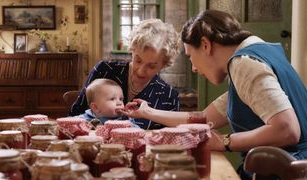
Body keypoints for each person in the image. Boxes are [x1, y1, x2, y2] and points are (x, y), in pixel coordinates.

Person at [120, 9, 307, 179]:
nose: (193, 68)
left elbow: (287, 129)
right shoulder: (254, 56)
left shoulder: (244, 63)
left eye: (190, 56)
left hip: (288, 170)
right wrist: (147, 112)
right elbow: (202, 118)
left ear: (205, 45)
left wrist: (225, 141)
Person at [69, 18, 181, 130]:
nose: (141, 71)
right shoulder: (104, 71)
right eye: (138, 60)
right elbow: (73, 117)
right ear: (132, 50)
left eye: (151, 66)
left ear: (164, 64)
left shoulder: (168, 96)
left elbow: (169, 139)